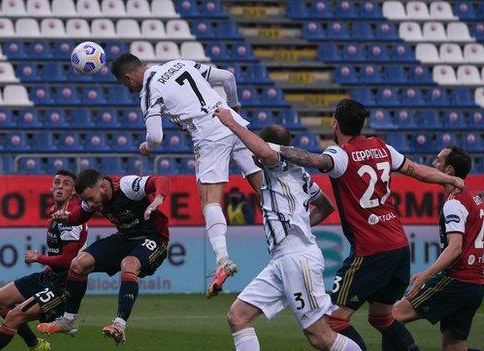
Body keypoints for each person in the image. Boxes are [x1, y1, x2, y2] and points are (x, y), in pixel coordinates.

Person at [267, 99, 465, 350]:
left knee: (332, 322)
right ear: (362, 125)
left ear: (335, 123)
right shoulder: (382, 147)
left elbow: (313, 161)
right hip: (399, 247)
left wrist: (273, 147)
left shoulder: (340, 155)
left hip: (370, 251)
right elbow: (417, 170)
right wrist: (449, 178)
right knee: (381, 317)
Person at [111, 53, 264, 297]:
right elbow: (228, 77)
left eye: (124, 84)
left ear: (128, 79)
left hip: (209, 136)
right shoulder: (178, 63)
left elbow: (155, 137)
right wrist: (233, 106)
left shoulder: (149, 89)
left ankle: (223, 259)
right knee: (264, 188)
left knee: (209, 201)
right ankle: (291, 233)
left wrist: (147, 148)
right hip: (233, 123)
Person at [214, 108, 361, 351]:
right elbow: (326, 207)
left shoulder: (278, 163)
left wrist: (230, 122)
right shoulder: (301, 176)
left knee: (320, 337)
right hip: (282, 261)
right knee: (238, 316)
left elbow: (264, 152)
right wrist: (301, 222)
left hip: (298, 259)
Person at [36, 169, 170, 345]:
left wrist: (158, 198)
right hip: (124, 239)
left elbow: (162, 179)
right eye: (85, 201)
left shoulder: (126, 186)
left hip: (153, 238)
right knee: (78, 263)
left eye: (91, 199)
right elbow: (78, 216)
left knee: (128, 264)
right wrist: (66, 219)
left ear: (102, 186)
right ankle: (69, 320)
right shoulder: (91, 198)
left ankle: (120, 324)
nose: (89, 205)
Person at [0, 170, 87, 351]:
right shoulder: (54, 211)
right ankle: (35, 344)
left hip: (64, 285)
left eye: (66, 183)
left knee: (14, 317)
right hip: (49, 276)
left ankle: (62, 315)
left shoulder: (71, 218)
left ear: (73, 192)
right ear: (51, 186)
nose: (60, 186)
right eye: (57, 182)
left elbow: (69, 260)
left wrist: (39, 258)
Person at [392, 146, 484, 351]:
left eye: (438, 161)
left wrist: (425, 274)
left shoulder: (454, 202)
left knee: (392, 317)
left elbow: (455, 248)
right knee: (454, 347)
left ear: (449, 170)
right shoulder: (473, 197)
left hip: (456, 279)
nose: (433, 164)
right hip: (474, 284)